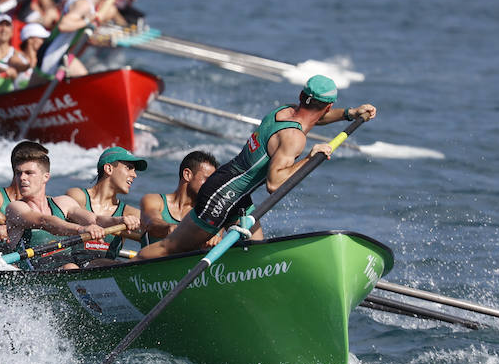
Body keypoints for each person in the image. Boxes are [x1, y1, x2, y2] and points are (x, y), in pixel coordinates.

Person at [138, 75, 376, 259]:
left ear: (302, 95)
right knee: (170, 247)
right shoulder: (294, 137)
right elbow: (274, 184)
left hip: (235, 191)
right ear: (329, 104)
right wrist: (309, 158)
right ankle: (127, 270)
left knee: (256, 249)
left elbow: (316, 117)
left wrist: (349, 114)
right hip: (222, 194)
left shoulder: (284, 111)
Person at [3, 152, 138, 269]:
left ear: (46, 177)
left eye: (29, 173)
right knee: (71, 267)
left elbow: (94, 219)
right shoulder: (15, 208)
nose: (22, 178)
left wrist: (119, 220)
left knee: (105, 264)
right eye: (18, 173)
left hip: (69, 269)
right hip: (34, 275)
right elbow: (44, 221)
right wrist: (81, 229)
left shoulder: (63, 202)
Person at [66, 147, 147, 255]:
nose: (134, 175)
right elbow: (89, 219)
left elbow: (156, 232)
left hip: (108, 268)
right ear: (109, 169)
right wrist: (118, 221)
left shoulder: (130, 213)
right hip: (72, 267)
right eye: (129, 167)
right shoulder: (78, 196)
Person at [138, 150, 218, 245]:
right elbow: (152, 224)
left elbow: (217, 227)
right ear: (187, 175)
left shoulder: (208, 213)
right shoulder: (153, 200)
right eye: (207, 180)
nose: (212, 186)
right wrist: (169, 228)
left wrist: (216, 237)